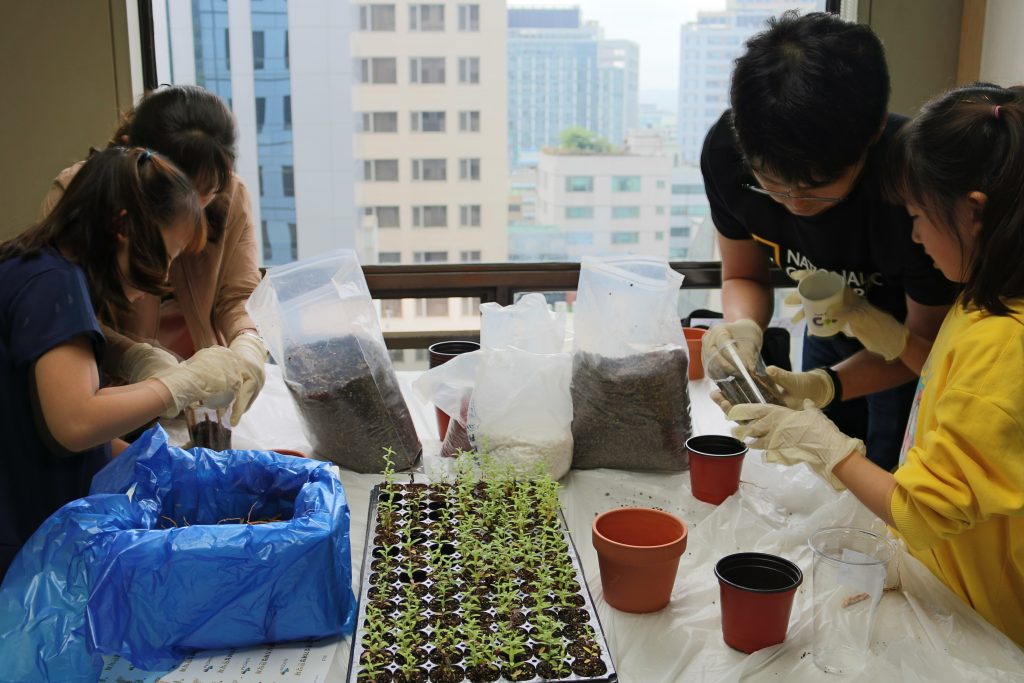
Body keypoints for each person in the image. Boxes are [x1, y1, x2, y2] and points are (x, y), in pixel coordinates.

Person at [728, 83, 1024, 646]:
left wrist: (824, 444)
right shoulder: (984, 297)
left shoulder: (1005, 344)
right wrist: (836, 370)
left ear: (974, 211)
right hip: (947, 574)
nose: (914, 234)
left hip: (985, 620)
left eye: (918, 215)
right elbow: (940, 377)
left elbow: (920, 509)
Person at [699, 11, 956, 470]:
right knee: (818, 462)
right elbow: (743, 275)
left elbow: (929, 350)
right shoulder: (727, 153)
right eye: (772, 185)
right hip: (828, 328)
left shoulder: (915, 185)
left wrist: (828, 385)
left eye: (819, 187)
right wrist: (742, 330)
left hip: (907, 352)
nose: (795, 203)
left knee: (885, 467)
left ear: (874, 131)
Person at [0, 147, 244, 580]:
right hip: (21, 555)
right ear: (122, 227)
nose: (164, 277)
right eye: (165, 254)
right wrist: (179, 384)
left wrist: (162, 464)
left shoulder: (34, 266)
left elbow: (46, 426)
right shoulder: (54, 284)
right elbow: (75, 422)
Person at [40, 85, 266, 426]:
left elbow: (238, 296)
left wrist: (248, 343)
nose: (193, 210)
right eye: (181, 191)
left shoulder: (230, 194)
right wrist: (137, 358)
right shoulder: (80, 200)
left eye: (207, 192)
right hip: (113, 396)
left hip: (201, 395)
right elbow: (75, 423)